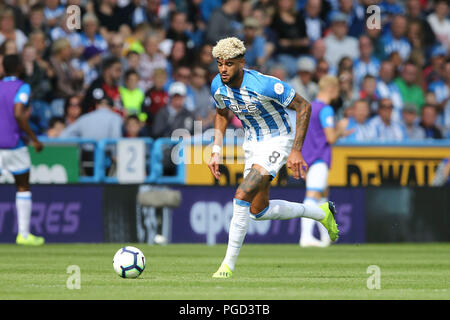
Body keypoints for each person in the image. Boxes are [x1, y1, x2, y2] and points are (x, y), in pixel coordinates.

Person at [208, 37, 339, 278]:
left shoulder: (265, 85)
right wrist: (215, 150)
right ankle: (321, 213)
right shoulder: (217, 84)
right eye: (219, 64)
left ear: (241, 62)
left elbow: (304, 106)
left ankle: (227, 266)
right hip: (252, 144)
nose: (223, 69)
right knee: (259, 211)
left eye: (229, 64)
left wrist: (296, 150)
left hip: (278, 139)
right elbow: (220, 113)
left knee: (242, 194)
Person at [297, 75, 352, 247]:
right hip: (320, 158)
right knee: (313, 195)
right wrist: (340, 130)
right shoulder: (326, 110)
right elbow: (330, 138)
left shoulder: (308, 107)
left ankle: (325, 237)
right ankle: (305, 236)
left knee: (322, 196)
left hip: (308, 157)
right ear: (331, 89)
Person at [0, 54, 45, 246]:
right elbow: (18, 112)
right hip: (14, 144)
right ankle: (24, 235)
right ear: (19, 68)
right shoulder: (22, 87)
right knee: (23, 186)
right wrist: (34, 139)